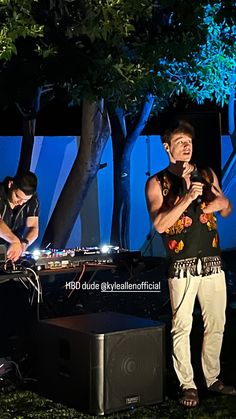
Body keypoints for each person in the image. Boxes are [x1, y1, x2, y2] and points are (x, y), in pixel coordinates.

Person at [145, 121, 236, 407]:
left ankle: (212, 378)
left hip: (211, 262)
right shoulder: (158, 182)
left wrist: (221, 203)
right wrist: (187, 196)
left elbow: (226, 210)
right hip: (182, 264)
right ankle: (188, 384)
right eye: (180, 141)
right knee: (182, 325)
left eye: (189, 141)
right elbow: (160, 225)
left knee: (217, 323)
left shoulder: (206, 174)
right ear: (167, 147)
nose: (186, 145)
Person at [0, 171, 39, 262]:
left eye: (25, 200)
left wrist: (24, 243)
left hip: (9, 254)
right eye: (17, 197)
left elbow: (33, 227)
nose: (21, 203)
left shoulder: (32, 200)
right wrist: (14, 241)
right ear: (11, 184)